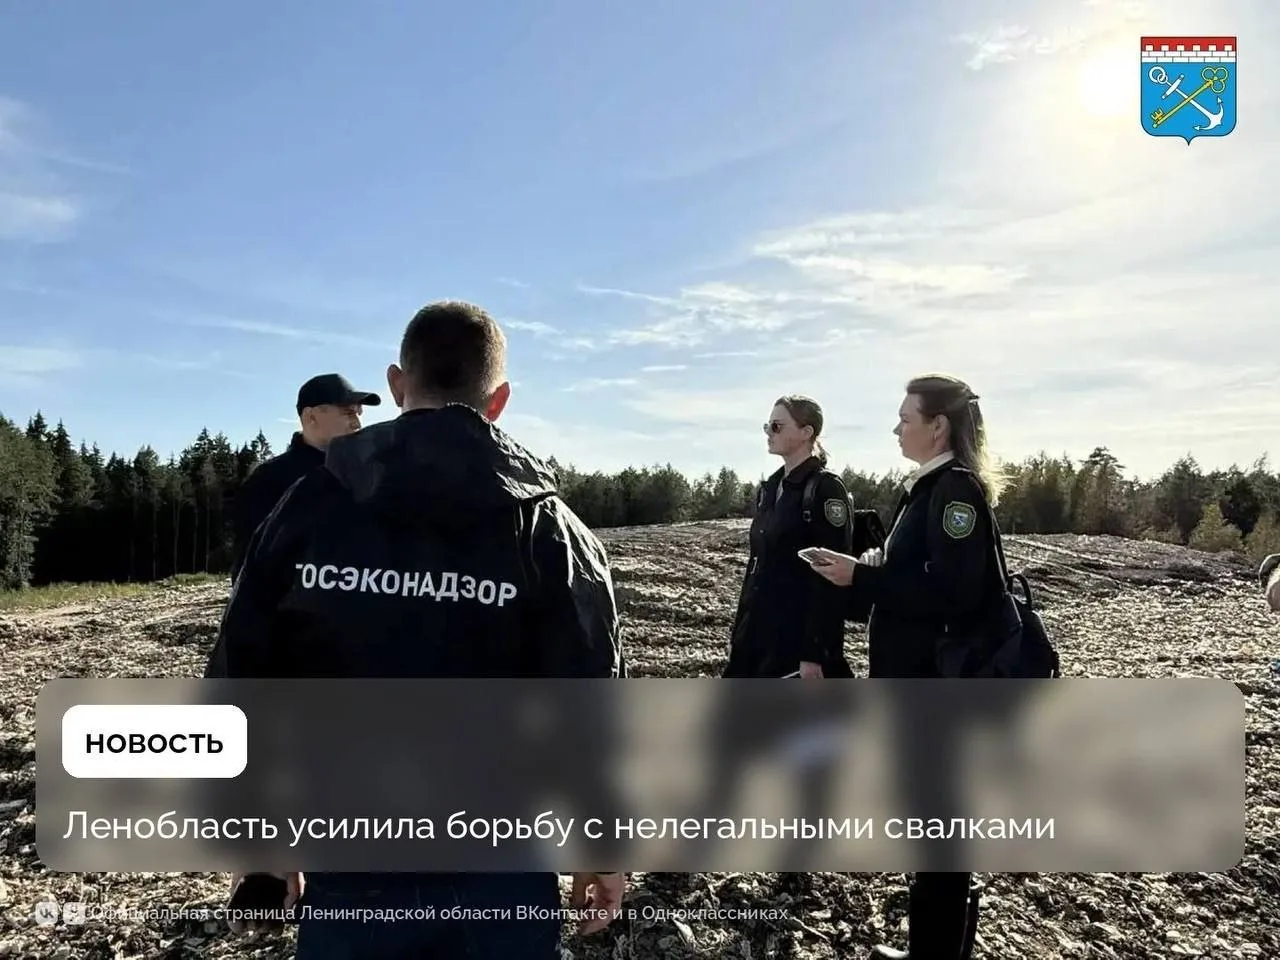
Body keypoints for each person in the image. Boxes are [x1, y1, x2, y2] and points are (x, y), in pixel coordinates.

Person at [204, 301, 627, 958]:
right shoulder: (552, 533)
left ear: (399, 385)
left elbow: (242, 670)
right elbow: (591, 696)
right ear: (499, 400)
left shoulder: (308, 507)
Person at [803, 373, 1004, 960]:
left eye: (904, 418)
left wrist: (862, 577)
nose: (895, 429)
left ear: (937, 426)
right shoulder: (928, 488)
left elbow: (958, 592)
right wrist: (868, 567)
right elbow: (920, 574)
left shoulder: (955, 491)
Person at [724, 395, 854, 680]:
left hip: (793, 643)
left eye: (777, 426)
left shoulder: (825, 489)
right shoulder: (770, 488)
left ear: (807, 432)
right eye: (767, 426)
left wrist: (815, 654)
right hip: (754, 637)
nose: (769, 433)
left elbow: (831, 579)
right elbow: (756, 567)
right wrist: (739, 635)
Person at [228, 373, 380, 581]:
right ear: (311, 417)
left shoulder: (367, 474)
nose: (357, 424)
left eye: (359, 414)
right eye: (348, 413)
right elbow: (248, 569)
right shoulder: (268, 480)